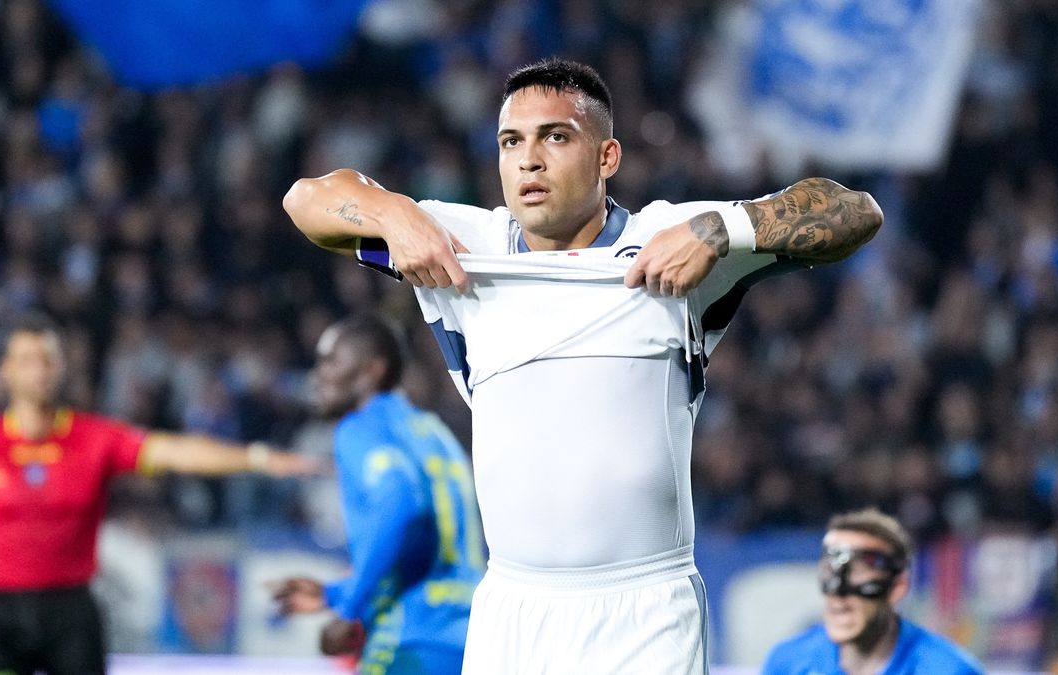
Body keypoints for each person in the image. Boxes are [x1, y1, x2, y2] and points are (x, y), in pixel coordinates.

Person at [283, 57, 882, 673]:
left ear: (607, 157)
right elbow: (306, 200)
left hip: (646, 611)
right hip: (511, 611)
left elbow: (853, 212)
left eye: (556, 137)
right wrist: (391, 214)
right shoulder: (463, 243)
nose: (529, 160)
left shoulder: (666, 240)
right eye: (511, 141)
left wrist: (720, 228)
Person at [0, 315, 317, 675]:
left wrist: (256, 457)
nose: (39, 370)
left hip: (72, 613)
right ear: (5, 371)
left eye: (47, 359)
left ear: (62, 367)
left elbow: (175, 452)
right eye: (27, 360)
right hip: (4, 616)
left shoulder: (94, 438)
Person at [270, 317, 483, 674]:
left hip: (411, 636)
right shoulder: (432, 431)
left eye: (331, 361)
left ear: (372, 371)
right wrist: (333, 594)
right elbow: (431, 543)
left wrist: (349, 607)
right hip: (469, 638)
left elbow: (399, 503)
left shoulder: (360, 426)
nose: (319, 374)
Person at [762, 508, 983, 675]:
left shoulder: (947, 670)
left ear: (897, 588)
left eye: (858, 577)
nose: (839, 598)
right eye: (831, 574)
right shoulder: (788, 663)